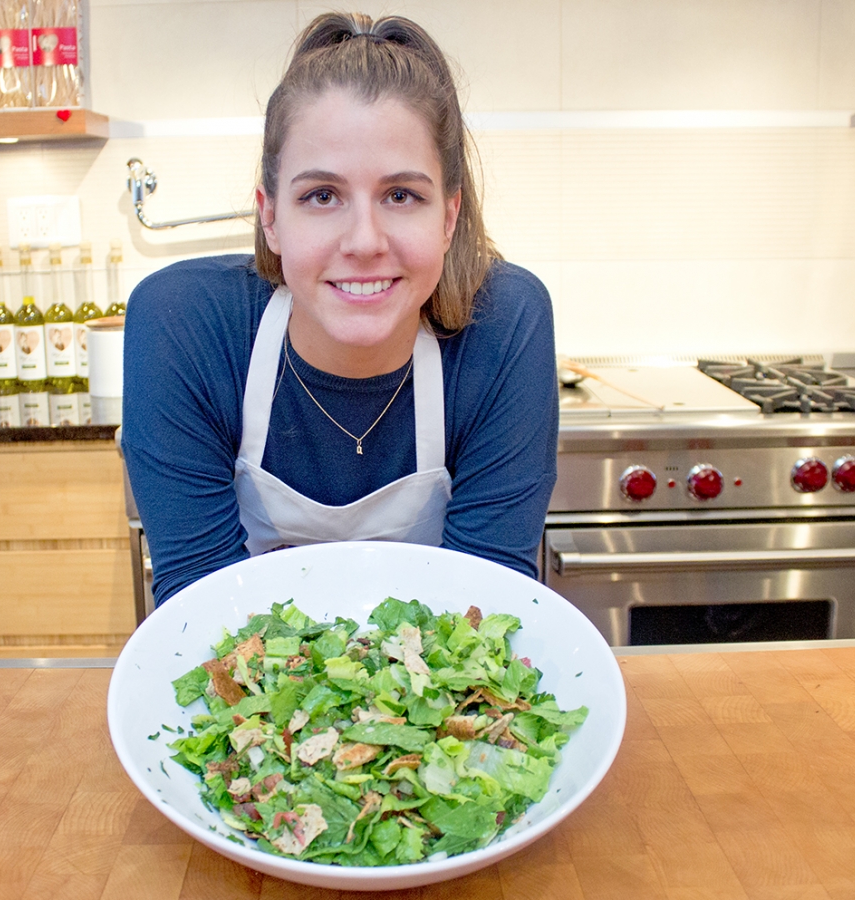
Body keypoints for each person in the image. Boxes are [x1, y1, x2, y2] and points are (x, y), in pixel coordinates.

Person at [123, 11, 558, 608]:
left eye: (401, 195)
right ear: (270, 216)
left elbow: (484, 611)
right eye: (321, 196)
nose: (365, 241)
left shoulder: (506, 323)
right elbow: (199, 611)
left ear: (450, 215)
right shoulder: (182, 324)